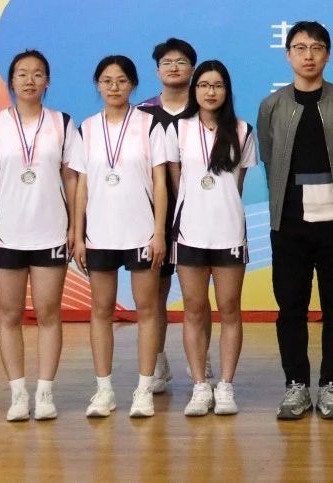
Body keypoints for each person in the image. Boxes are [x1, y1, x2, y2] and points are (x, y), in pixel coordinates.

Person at [259, 21, 333, 421]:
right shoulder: (272, 106)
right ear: (288, 54)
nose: (308, 55)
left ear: (328, 54)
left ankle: (330, 384)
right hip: (289, 223)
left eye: (316, 48)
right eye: (300, 47)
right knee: (290, 306)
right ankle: (295, 385)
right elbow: (270, 158)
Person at [0, 50, 79, 422]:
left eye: (37, 74)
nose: (30, 80)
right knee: (9, 314)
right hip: (6, 233)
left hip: (50, 232)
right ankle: (18, 394)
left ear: (47, 81)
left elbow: (72, 178)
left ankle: (45, 392)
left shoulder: (62, 123)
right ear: (11, 81)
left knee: (49, 313)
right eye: (22, 73)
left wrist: (74, 227)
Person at [70, 55, 170, 419]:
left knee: (147, 310)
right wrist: (78, 234)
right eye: (107, 81)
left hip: (141, 232)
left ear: (133, 85)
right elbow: (81, 185)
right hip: (99, 234)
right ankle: (104, 390)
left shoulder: (149, 124)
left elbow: (160, 182)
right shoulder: (86, 128)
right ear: (97, 85)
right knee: (101, 310)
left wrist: (159, 232)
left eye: (122, 81)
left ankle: (144, 388)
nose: (114, 87)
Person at [166, 60, 257, 417]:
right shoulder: (178, 128)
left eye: (217, 85)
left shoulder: (243, 130)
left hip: (228, 232)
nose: (210, 91)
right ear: (194, 89)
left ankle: (226, 386)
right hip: (190, 231)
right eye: (204, 85)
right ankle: (200, 386)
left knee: (229, 309)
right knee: (193, 309)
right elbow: (177, 181)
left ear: (226, 90)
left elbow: (238, 184)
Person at [138, 36, 198, 395]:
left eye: (181, 62)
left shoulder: (206, 107)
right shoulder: (142, 114)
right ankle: (157, 360)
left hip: (197, 215)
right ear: (157, 70)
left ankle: (199, 361)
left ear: (193, 68)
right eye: (166, 63)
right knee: (155, 294)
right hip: (153, 217)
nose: (174, 68)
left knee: (196, 297)